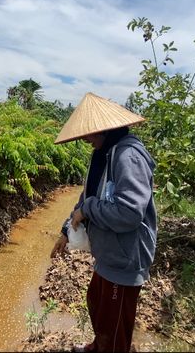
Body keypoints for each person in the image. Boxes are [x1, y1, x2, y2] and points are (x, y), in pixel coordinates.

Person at [50, 92, 157, 353]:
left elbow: (130, 212)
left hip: (124, 256)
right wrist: (66, 230)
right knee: (97, 303)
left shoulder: (127, 156)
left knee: (114, 323)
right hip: (109, 253)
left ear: (106, 130)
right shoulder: (104, 154)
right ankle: (98, 347)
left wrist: (87, 210)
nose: (86, 138)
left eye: (89, 133)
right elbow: (87, 197)